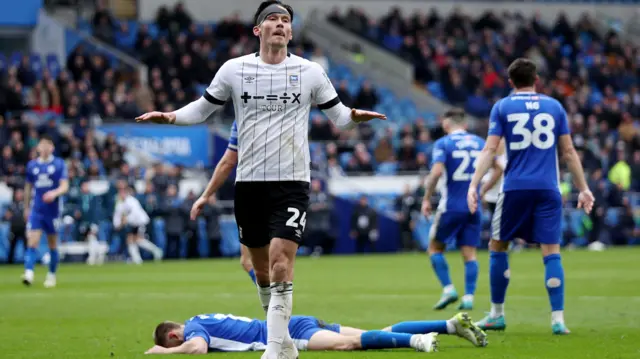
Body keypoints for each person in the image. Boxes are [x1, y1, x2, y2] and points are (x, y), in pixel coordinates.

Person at [136, 2, 386, 358]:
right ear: (258, 30)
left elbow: (340, 117)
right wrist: (170, 117)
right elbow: (203, 108)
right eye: (273, 19)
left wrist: (356, 117)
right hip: (249, 184)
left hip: (292, 183)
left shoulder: (310, 71)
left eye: (286, 20)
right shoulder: (234, 70)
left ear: (291, 32)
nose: (280, 24)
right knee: (262, 270)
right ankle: (284, 343)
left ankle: (273, 348)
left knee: (282, 260)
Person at [467, 58, 595, 335]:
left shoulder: (502, 107)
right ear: (536, 79)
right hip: (549, 188)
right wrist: (584, 187)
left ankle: (496, 314)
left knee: (497, 245)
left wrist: (474, 185)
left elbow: (490, 151)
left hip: (515, 187)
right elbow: (569, 152)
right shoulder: (554, 107)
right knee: (551, 251)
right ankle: (558, 319)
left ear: (511, 82)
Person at [421, 108, 498, 311]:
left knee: (435, 248)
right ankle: (469, 297)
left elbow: (436, 172)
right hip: (473, 206)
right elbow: (500, 168)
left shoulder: (444, 143)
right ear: (464, 124)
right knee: (470, 253)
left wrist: (427, 198)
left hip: (451, 206)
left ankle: (448, 289)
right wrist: (482, 192)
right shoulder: (480, 143)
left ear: (446, 125)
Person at [145, 311, 487, 354]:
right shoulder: (196, 318)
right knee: (376, 331)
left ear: (173, 335)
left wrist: (166, 353)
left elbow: (198, 349)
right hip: (294, 320)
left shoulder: (193, 330)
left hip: (286, 333)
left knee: (348, 345)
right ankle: (448, 325)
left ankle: (418, 341)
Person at [190, 121, 258, 283]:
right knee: (272, 260)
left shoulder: (242, 121)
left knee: (253, 261)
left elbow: (227, 162)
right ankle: (276, 303)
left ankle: (274, 303)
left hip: (252, 193)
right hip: (283, 191)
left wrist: (206, 195)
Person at [22, 134, 69, 288]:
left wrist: (54, 193)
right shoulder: (32, 166)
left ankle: (51, 275)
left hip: (53, 210)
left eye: (47, 145)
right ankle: (29, 273)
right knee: (32, 240)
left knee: (52, 244)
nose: (44, 148)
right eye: (42, 145)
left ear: (52, 148)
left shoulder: (58, 164)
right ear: (38, 148)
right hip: (37, 209)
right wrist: (26, 207)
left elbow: (64, 186)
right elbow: (28, 187)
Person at [112, 181, 163, 264]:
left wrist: (126, 220)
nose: (121, 194)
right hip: (132, 224)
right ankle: (137, 259)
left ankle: (155, 251)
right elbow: (117, 216)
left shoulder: (132, 201)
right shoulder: (119, 204)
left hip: (141, 222)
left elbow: (135, 213)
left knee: (137, 240)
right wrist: (118, 225)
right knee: (131, 239)